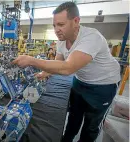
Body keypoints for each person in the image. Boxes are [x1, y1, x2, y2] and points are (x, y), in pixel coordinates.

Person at [12, 2, 120, 142]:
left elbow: (68, 68)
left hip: (103, 86)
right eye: (54, 25)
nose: (57, 29)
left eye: (61, 25)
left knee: (91, 126)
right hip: (80, 81)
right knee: (73, 118)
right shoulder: (62, 41)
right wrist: (44, 73)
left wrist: (31, 60)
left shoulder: (92, 37)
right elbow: (58, 62)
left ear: (76, 21)